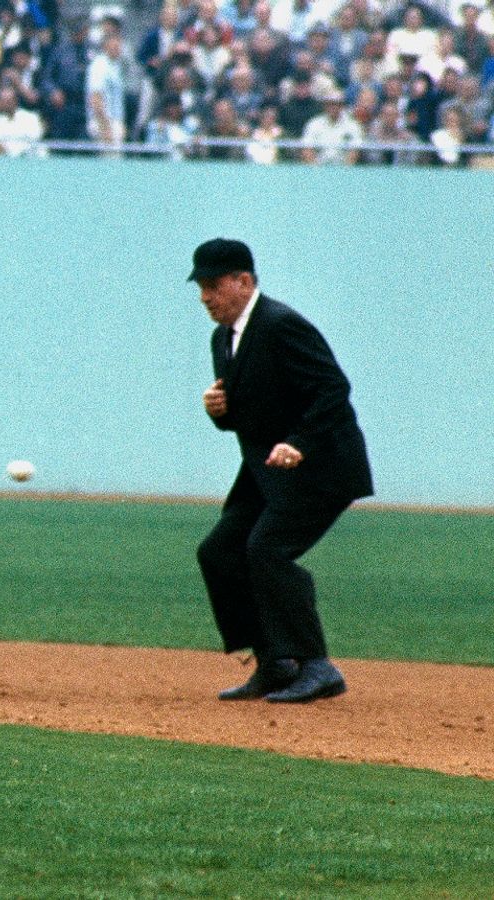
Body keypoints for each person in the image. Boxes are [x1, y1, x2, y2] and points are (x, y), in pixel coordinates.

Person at [189, 238, 373, 704]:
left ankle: (317, 665)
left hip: (321, 465)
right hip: (267, 469)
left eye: (214, 285)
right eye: (201, 287)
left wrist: (299, 443)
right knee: (219, 551)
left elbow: (333, 388)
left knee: (267, 551)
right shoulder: (224, 337)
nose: (205, 297)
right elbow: (247, 413)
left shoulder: (280, 324)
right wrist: (219, 411)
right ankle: (274, 662)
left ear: (245, 281)